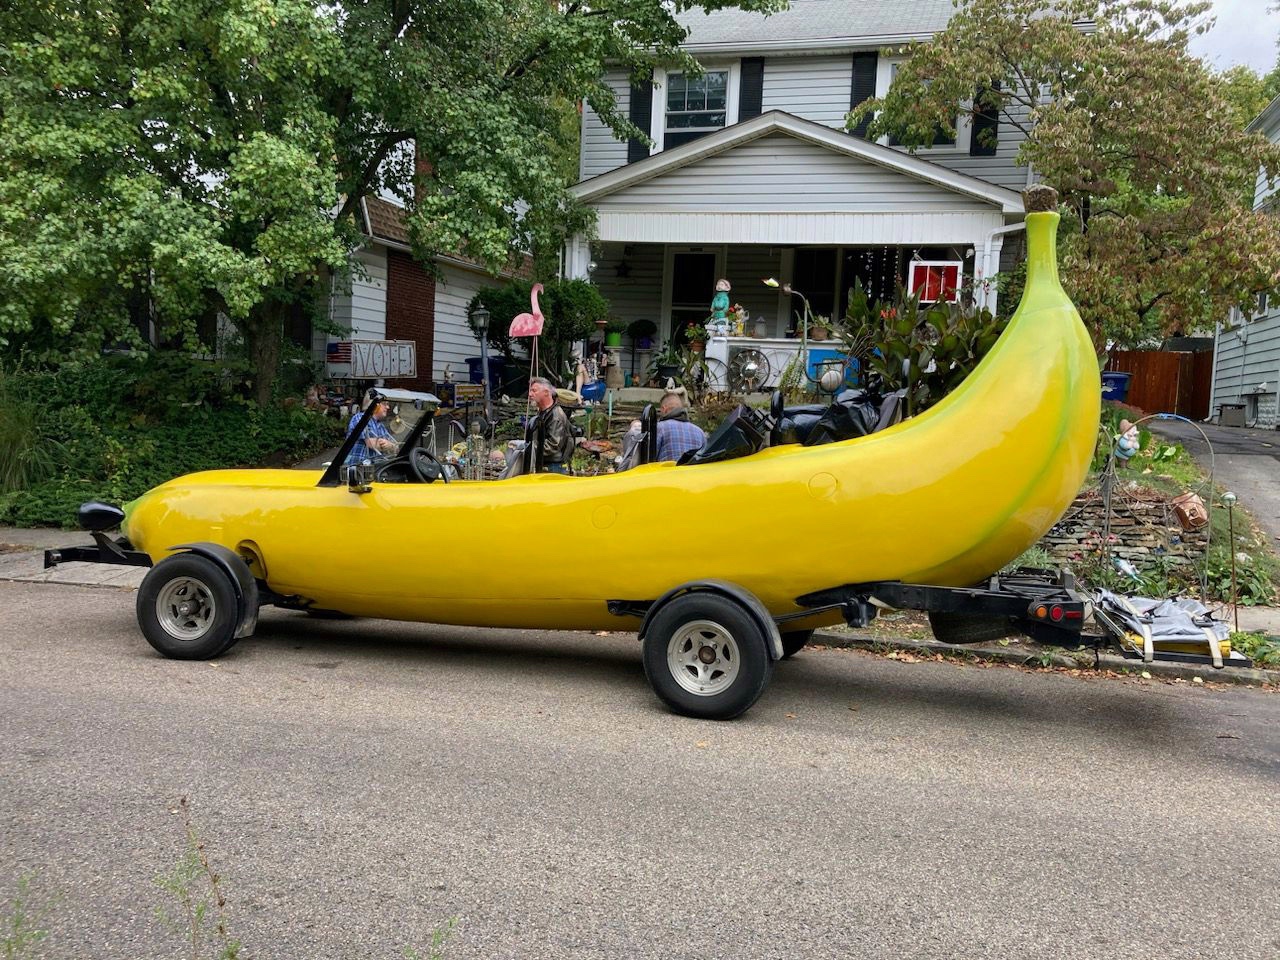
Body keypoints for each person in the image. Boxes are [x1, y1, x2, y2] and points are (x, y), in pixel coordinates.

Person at [528, 377, 576, 473]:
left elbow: (553, 445)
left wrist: (528, 448)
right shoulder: (543, 413)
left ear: (546, 392)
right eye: (530, 391)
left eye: (534, 391)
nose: (530, 394)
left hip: (554, 467)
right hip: (545, 464)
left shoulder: (555, 416)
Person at [344, 394, 398, 468]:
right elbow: (372, 444)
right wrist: (388, 444)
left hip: (374, 469)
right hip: (357, 469)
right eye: (385, 404)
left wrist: (389, 444)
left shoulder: (381, 426)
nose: (388, 407)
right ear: (376, 405)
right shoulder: (361, 418)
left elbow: (395, 447)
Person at [655, 392, 707, 463]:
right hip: (694, 473)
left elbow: (648, 459)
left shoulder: (659, 428)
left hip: (667, 473)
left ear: (663, 409)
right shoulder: (700, 432)